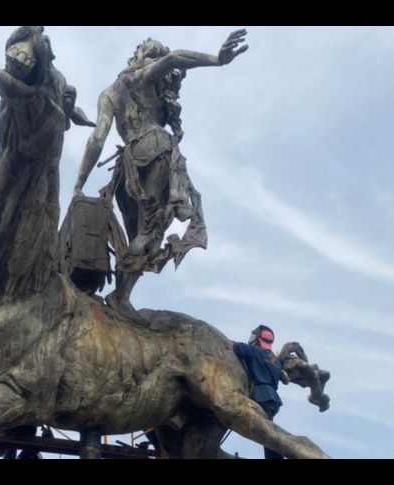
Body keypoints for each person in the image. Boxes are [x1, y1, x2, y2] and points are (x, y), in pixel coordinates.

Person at [73, 30, 248, 325]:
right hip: (156, 149)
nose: (159, 60)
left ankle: (121, 296)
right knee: (150, 232)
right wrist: (217, 60)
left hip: (126, 170)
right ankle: (121, 295)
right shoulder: (143, 77)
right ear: (142, 58)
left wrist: (80, 182)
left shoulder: (110, 93)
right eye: (155, 53)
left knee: (139, 235)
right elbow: (175, 57)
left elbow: (97, 139)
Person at [232, 324, 284, 459]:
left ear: (258, 339)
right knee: (268, 430)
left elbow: (237, 347)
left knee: (266, 433)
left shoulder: (255, 352)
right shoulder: (276, 362)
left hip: (261, 395)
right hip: (273, 399)